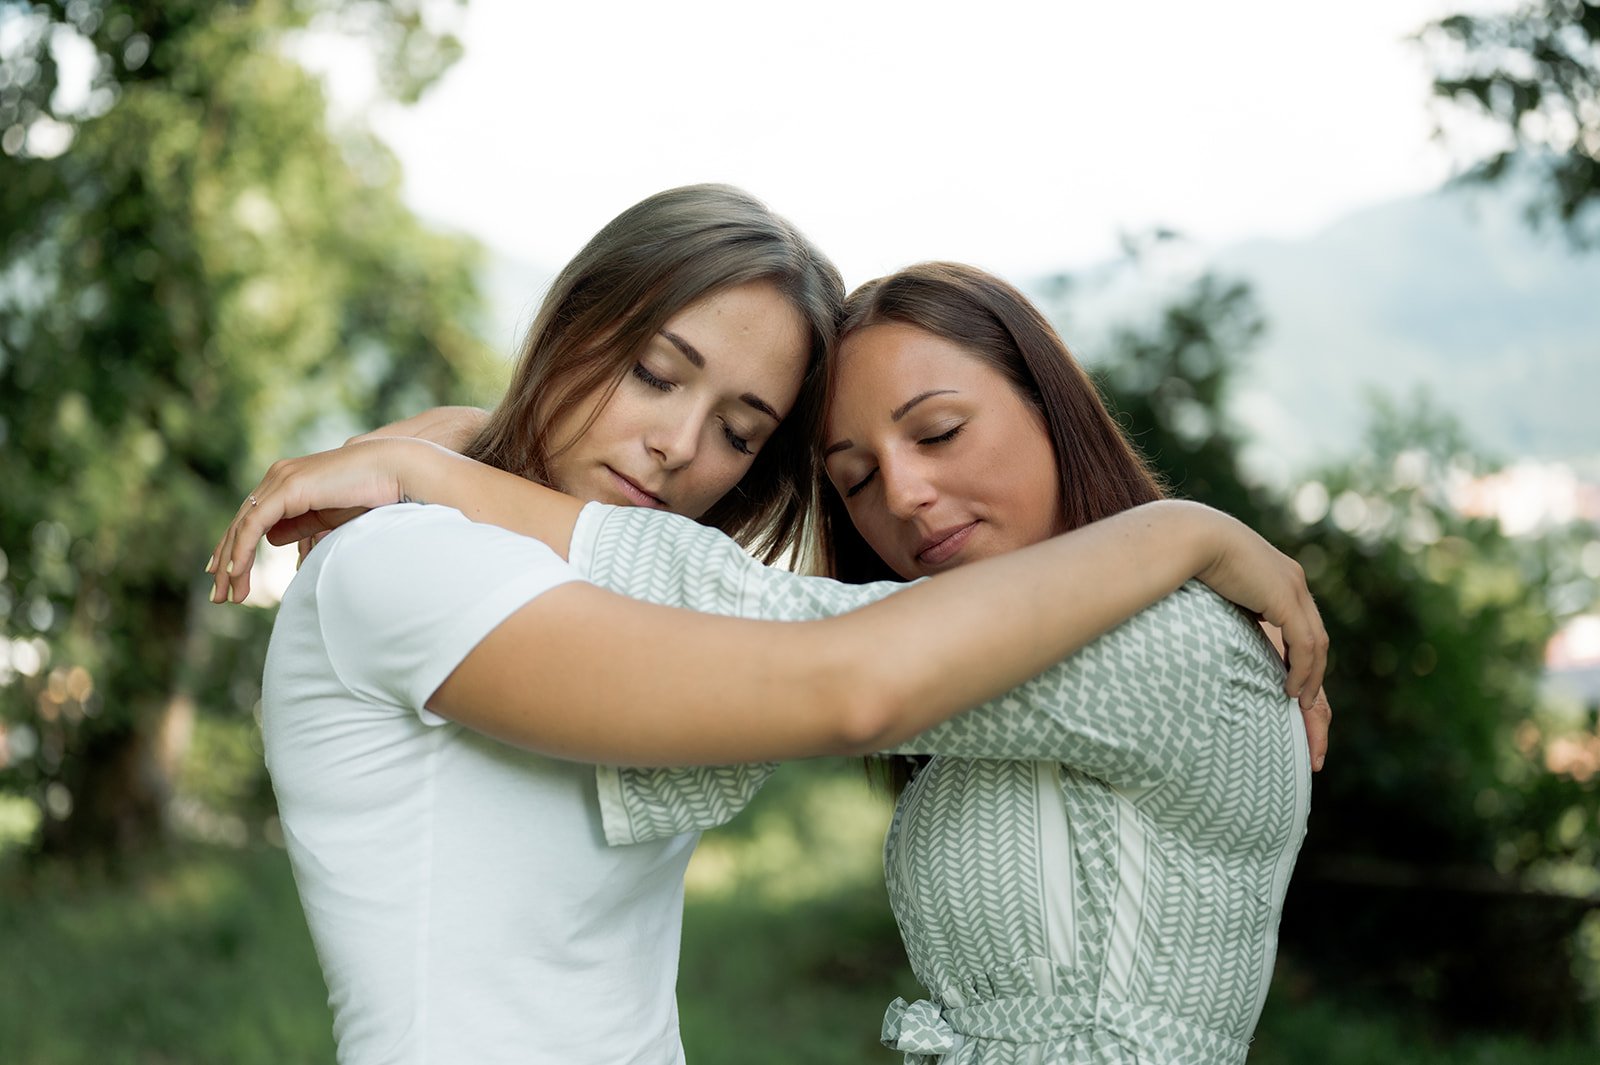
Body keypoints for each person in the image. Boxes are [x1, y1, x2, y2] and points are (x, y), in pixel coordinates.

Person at [212, 205, 1328, 1063]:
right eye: (654, 373)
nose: (908, 500)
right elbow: (794, 638)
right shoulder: (413, 556)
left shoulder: (1160, 646)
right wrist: (460, 453)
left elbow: (811, 644)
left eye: (741, 433)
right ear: (569, 324)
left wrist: (1182, 533)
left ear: (1053, 401)